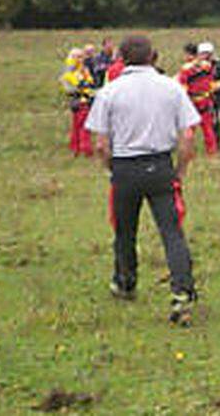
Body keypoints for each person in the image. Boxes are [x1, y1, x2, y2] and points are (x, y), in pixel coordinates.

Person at [84, 34, 200, 325]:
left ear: (121, 58)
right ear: (152, 56)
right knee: (172, 231)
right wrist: (180, 170)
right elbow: (187, 136)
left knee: (124, 229)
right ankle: (182, 293)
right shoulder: (171, 88)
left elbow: (100, 143)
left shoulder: (110, 92)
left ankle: (125, 281)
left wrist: (111, 168)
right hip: (160, 165)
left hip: (125, 167)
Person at [177, 43, 218, 155]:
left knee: (190, 129)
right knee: (208, 129)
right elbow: (210, 80)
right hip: (206, 99)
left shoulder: (185, 69)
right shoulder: (207, 65)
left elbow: (183, 86)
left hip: (192, 101)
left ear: (188, 54)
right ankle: (212, 152)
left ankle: (188, 152)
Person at [60, 48, 96, 156]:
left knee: (77, 126)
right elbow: (76, 85)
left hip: (79, 101)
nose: (81, 59)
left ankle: (76, 148)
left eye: (82, 56)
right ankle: (85, 148)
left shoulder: (80, 70)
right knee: (83, 126)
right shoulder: (72, 71)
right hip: (81, 101)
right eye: (79, 57)